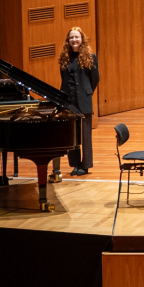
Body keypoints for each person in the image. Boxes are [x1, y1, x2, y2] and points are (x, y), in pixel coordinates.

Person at [58, 27, 99, 177]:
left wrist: (87, 92)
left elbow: (95, 78)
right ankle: (75, 164)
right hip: (69, 99)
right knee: (72, 134)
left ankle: (86, 165)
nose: (74, 40)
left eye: (77, 37)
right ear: (68, 41)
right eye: (71, 38)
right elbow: (64, 80)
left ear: (82, 39)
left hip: (84, 99)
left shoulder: (90, 56)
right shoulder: (64, 57)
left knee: (85, 134)